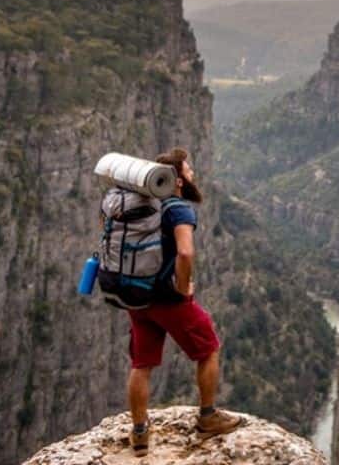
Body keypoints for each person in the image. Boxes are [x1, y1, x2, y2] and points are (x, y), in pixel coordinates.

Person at [125, 147, 241, 456]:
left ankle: (139, 432)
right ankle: (207, 417)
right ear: (176, 180)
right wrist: (183, 286)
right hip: (167, 299)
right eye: (187, 170)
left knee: (142, 363)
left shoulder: (144, 205)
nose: (192, 174)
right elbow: (186, 252)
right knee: (209, 348)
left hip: (137, 297)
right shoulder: (178, 209)